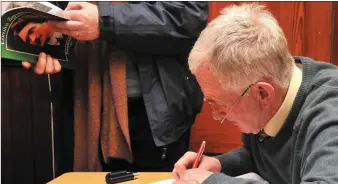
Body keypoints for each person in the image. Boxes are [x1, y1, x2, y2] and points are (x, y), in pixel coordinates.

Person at [162, 3, 338, 184]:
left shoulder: (332, 112)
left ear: (261, 92)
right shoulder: (280, 91)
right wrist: (222, 166)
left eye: (220, 104)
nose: (217, 115)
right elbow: (284, 155)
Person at [24, 1, 208, 172]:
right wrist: (40, 49)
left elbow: (187, 16)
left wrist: (105, 21)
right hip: (81, 102)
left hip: (153, 114)